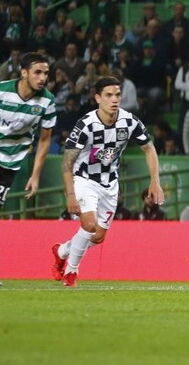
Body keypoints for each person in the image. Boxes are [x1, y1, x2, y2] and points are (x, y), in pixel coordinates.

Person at [50, 77, 163, 287]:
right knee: (89, 225)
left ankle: (63, 250)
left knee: (98, 236)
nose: (114, 99)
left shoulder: (129, 122)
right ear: (98, 98)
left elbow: (149, 148)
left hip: (110, 184)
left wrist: (155, 181)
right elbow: (67, 162)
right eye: (109, 95)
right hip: (84, 179)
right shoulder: (86, 124)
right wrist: (71, 195)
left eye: (117, 95)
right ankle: (72, 273)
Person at [0, 52, 56, 286]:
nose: (43, 77)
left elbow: (45, 140)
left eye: (46, 73)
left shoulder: (47, 101)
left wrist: (35, 175)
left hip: (13, 161)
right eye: (38, 72)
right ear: (24, 72)